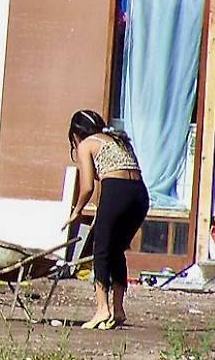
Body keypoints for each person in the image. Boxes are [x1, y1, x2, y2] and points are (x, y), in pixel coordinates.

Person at [61, 109, 149, 330]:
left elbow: (88, 186)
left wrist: (77, 211)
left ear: (76, 134)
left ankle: (102, 309)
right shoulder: (117, 139)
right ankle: (118, 310)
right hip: (139, 195)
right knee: (116, 250)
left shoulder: (86, 144)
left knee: (100, 249)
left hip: (117, 192)